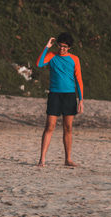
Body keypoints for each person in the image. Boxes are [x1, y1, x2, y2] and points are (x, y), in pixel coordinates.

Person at [36, 32, 84, 167]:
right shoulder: (52, 56)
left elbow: (78, 80)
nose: (62, 48)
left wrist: (81, 100)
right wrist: (47, 46)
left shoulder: (75, 59)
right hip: (54, 95)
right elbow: (39, 63)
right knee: (49, 126)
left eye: (65, 47)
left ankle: (68, 159)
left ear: (69, 47)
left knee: (68, 127)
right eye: (60, 46)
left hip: (69, 96)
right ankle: (42, 159)